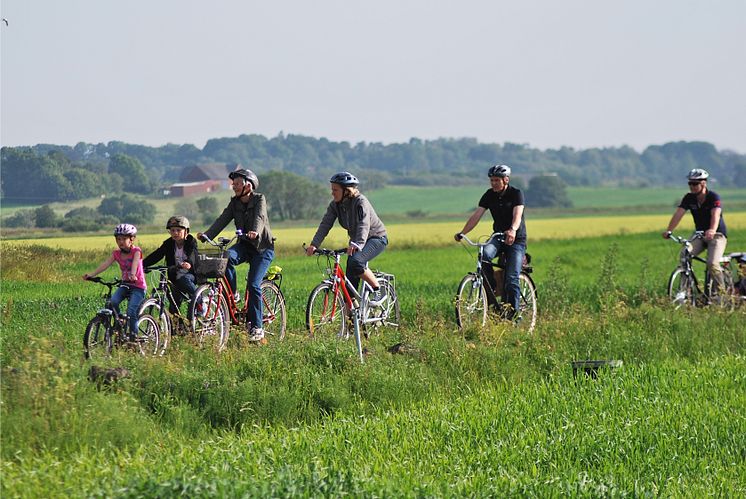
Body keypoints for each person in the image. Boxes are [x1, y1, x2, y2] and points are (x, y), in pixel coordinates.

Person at [198, 168, 275, 342]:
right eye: (233, 183)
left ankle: (257, 328)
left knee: (254, 284)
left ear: (248, 185)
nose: (234, 186)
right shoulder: (235, 203)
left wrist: (255, 231)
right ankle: (233, 294)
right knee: (225, 257)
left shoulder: (259, 199)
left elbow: (260, 217)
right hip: (244, 246)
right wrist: (207, 235)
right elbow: (222, 219)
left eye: (238, 183)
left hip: (263, 249)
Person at [305, 171, 388, 305]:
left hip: (376, 238)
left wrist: (358, 244)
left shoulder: (360, 202)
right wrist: (314, 244)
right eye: (332, 189)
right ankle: (350, 323)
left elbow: (363, 224)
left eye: (335, 190)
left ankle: (376, 289)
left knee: (356, 262)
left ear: (346, 190)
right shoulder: (335, 205)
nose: (332, 193)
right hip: (356, 243)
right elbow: (325, 224)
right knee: (349, 290)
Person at [455, 164, 527, 318]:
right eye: (491, 180)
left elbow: (517, 215)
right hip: (498, 237)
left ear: (506, 180)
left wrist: (513, 230)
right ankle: (491, 287)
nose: (493, 183)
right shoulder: (489, 195)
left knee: (511, 279)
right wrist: (462, 232)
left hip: (516, 240)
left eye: (496, 180)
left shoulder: (516, 194)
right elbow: (477, 215)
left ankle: (513, 316)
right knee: (484, 255)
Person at [663, 168, 728, 293]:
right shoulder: (689, 198)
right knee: (684, 254)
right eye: (690, 183)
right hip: (699, 235)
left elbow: (716, 215)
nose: (691, 186)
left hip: (717, 235)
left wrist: (712, 230)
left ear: (703, 183)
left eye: (695, 184)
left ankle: (721, 294)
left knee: (712, 262)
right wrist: (669, 231)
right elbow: (678, 214)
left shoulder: (713, 197)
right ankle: (685, 291)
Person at [83, 223, 146, 339]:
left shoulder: (136, 251)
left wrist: (133, 274)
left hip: (138, 286)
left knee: (132, 310)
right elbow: (105, 264)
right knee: (112, 302)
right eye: (118, 239)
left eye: (124, 239)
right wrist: (91, 275)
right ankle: (120, 320)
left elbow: (135, 264)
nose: (121, 241)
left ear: (132, 239)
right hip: (125, 285)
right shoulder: (116, 253)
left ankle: (134, 337)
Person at [142, 215, 199, 316]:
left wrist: (188, 263)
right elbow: (157, 254)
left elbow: (192, 254)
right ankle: (176, 327)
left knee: (185, 280)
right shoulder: (168, 243)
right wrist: (142, 264)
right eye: (172, 230)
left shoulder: (191, 241)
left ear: (186, 231)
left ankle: (200, 300)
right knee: (173, 305)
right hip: (174, 276)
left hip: (190, 275)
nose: (175, 233)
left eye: (178, 230)